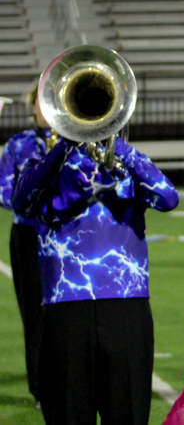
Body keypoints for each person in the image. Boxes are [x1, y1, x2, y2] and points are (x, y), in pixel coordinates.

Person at [11, 130, 179, 424]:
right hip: (65, 310)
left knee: (128, 416)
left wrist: (122, 151)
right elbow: (20, 200)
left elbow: (168, 197)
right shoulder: (46, 167)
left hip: (126, 306)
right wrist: (64, 144)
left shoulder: (127, 167)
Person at [0, 85, 50, 405]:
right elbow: (3, 191)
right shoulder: (19, 144)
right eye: (41, 103)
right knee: (34, 315)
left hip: (65, 239)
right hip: (29, 237)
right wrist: (34, 205)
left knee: (66, 314)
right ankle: (40, 389)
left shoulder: (80, 145)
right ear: (33, 107)